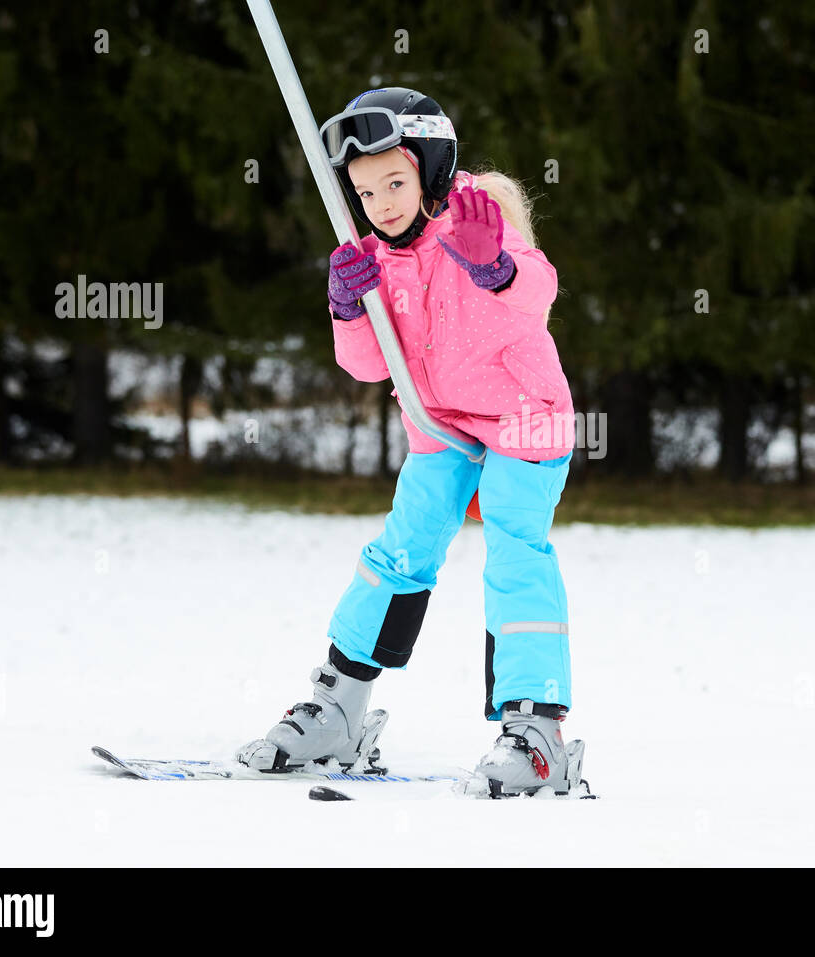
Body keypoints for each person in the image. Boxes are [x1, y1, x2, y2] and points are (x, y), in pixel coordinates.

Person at [237, 87, 583, 796]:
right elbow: (368, 365)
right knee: (400, 550)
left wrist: (496, 267)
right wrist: (346, 307)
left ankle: (537, 729)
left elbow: (540, 291)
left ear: (429, 169)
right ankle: (338, 704)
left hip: (522, 414)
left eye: (395, 182)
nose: (383, 203)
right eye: (366, 191)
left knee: (516, 551)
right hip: (441, 424)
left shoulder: (475, 222)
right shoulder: (373, 255)